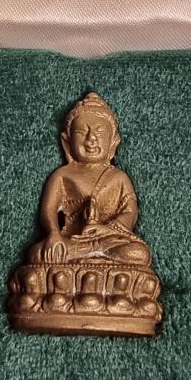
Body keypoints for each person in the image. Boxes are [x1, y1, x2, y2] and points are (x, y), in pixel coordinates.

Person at [27, 92, 151, 266]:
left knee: (139, 253)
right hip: (72, 241)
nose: (91, 139)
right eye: (81, 132)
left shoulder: (119, 177)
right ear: (67, 142)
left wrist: (106, 229)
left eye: (100, 132)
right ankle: (95, 257)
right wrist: (54, 234)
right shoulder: (62, 175)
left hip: (108, 241)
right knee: (37, 254)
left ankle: (94, 254)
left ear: (113, 143)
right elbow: (49, 210)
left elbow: (130, 212)